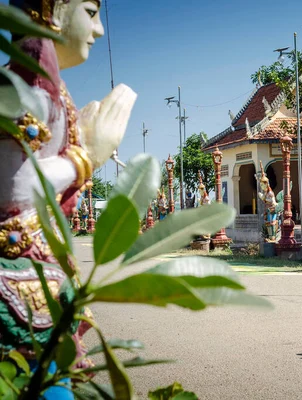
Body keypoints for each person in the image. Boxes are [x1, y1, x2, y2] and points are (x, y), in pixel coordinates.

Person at [1, 0, 136, 395]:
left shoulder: (46, 85)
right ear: (54, 11)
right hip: (18, 268)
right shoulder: (28, 85)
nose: (99, 30)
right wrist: (87, 156)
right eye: (90, 12)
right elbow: (14, 188)